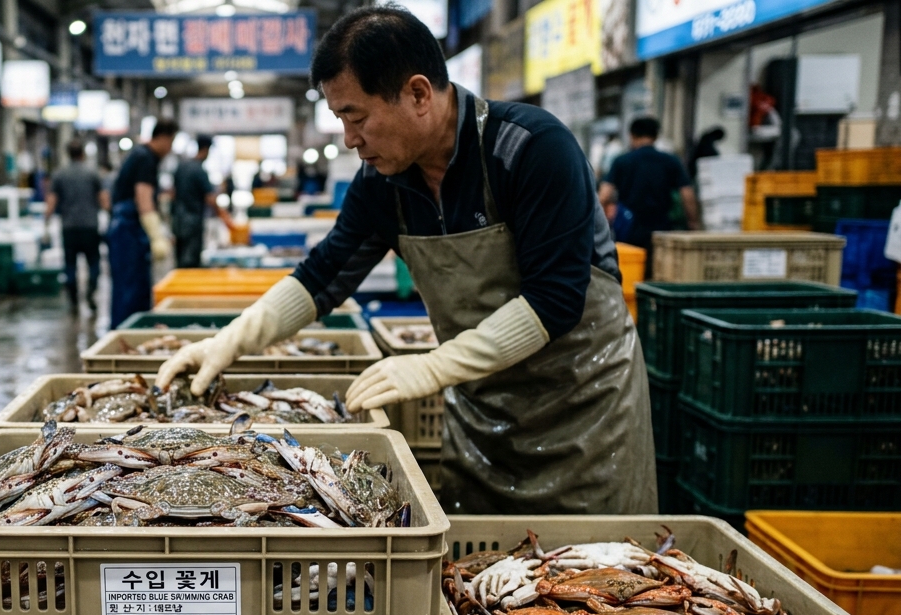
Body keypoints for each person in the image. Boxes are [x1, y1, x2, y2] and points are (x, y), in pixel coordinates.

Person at [156, 5, 654, 517]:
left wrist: (436, 366)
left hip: (586, 414)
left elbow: (556, 299)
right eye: (340, 120)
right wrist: (229, 340)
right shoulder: (382, 185)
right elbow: (325, 274)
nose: (350, 139)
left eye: (356, 117)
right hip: (483, 416)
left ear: (417, 93)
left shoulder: (530, 149)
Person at [599, 117, 700, 272]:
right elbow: (687, 195)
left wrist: (599, 226)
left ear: (632, 135)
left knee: (631, 270)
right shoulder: (670, 161)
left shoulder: (622, 161)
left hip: (629, 228)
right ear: (656, 136)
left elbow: (604, 196)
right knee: (658, 271)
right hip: (662, 229)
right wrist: (693, 223)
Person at [107, 119, 177, 327]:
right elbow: (143, 197)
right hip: (128, 230)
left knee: (129, 287)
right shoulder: (146, 158)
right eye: (171, 142)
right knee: (131, 289)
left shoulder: (140, 155)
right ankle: (126, 334)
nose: (170, 148)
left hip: (126, 228)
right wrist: (156, 235)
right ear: (163, 138)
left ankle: (128, 331)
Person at [46, 140, 109, 311]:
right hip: (90, 226)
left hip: (69, 227)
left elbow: (51, 202)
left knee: (70, 265)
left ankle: (73, 300)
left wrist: (46, 221)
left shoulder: (60, 174)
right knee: (94, 263)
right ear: (83, 153)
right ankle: (90, 292)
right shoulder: (92, 173)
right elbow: (104, 200)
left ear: (68, 154)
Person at [171, 135, 235, 268]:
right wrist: (226, 218)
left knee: (180, 261)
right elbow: (210, 198)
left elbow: (173, 194)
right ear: (206, 150)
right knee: (191, 262)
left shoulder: (181, 167)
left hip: (178, 222)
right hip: (192, 223)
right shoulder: (199, 170)